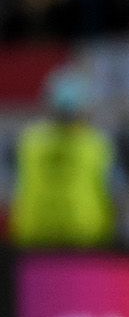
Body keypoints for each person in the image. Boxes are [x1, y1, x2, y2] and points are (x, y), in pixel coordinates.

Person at [9, 69, 115, 248]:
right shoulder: (96, 144)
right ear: (84, 108)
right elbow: (111, 191)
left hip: (35, 231)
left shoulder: (29, 142)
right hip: (83, 232)